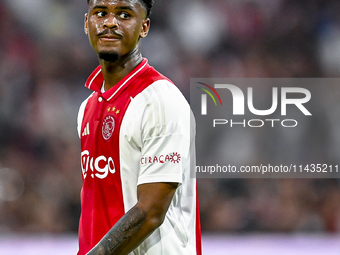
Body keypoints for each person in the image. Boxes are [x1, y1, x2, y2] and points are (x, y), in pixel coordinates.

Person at [76, 0, 201, 254]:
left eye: (124, 14)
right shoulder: (87, 107)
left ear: (144, 27)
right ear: (86, 23)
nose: (110, 22)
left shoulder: (161, 100)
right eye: (100, 13)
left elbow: (151, 211)